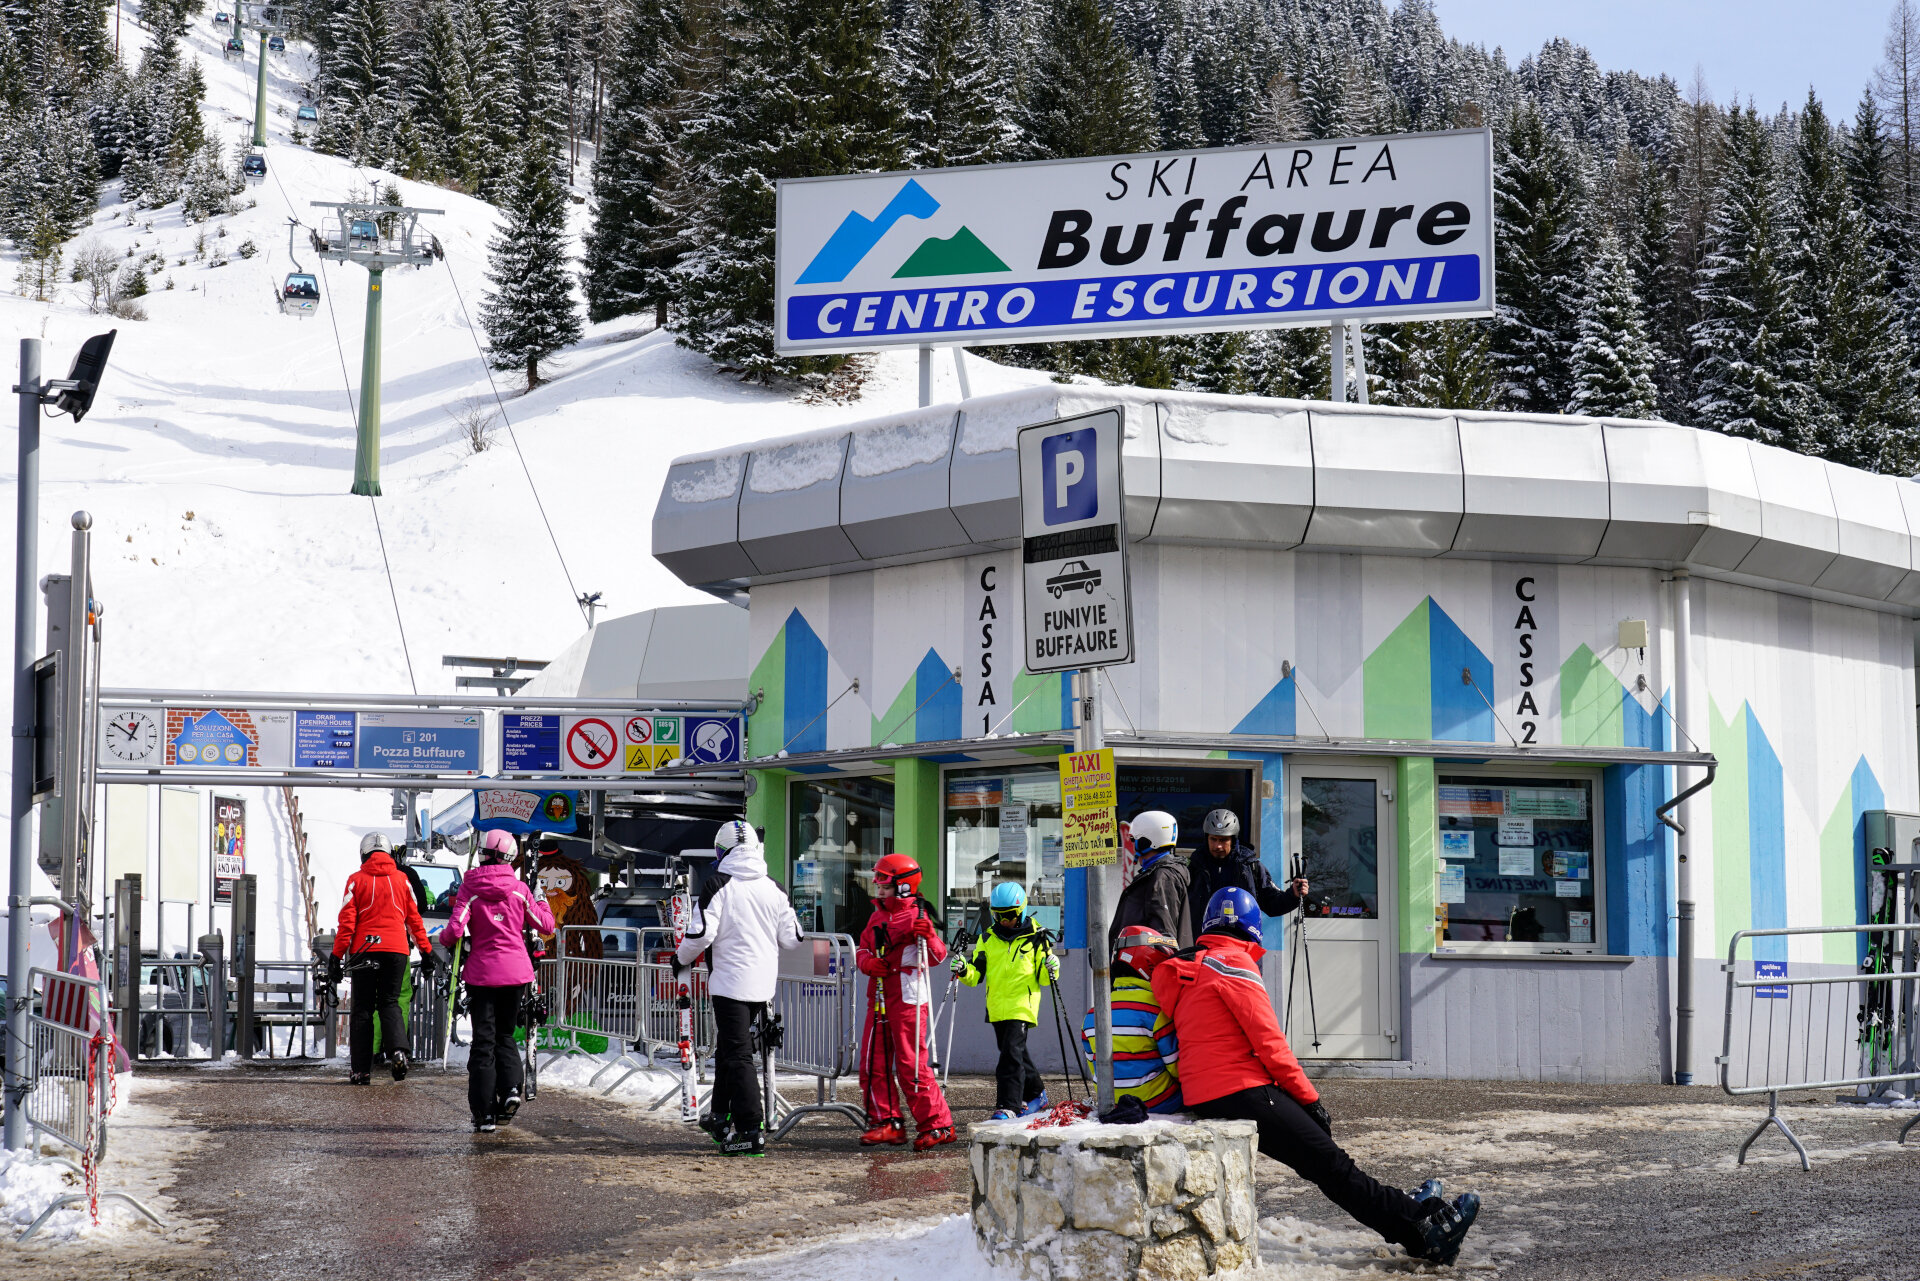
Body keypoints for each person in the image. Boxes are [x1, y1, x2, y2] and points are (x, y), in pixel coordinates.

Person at [1152, 888, 1481, 1266]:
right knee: (1331, 1166)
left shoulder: (1189, 968)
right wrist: (1310, 1100)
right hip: (1241, 1089)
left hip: (1204, 1094)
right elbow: (1271, 1046)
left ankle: (1407, 1207)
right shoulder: (1234, 965)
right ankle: (1423, 1232)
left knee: (1326, 1163)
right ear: (1253, 929)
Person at [674, 820, 804, 1156]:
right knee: (731, 1051)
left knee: (738, 1056)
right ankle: (720, 1115)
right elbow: (793, 938)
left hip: (729, 982)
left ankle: (749, 1129)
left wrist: (680, 959)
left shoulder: (717, 884)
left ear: (723, 851)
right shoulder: (773, 886)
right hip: (761, 985)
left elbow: (701, 935)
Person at [439, 829, 554, 1132]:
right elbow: (546, 924)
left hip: (481, 975)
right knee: (505, 1035)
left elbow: (454, 930)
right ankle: (512, 1090)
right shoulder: (519, 890)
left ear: (482, 853)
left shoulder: (470, 888)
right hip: (516, 974)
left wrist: (446, 938)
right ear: (510, 856)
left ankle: (484, 1113)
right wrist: (541, 900)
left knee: (483, 1042)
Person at [856, 853, 954, 1150]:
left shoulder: (917, 914)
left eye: (884, 881)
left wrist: (931, 937)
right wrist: (868, 964)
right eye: (878, 881)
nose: (878, 886)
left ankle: (938, 1124)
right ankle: (887, 1122)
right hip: (880, 995)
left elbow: (937, 956)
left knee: (910, 1065)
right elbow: (862, 948)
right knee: (874, 1061)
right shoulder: (876, 915)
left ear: (903, 885)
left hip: (908, 997)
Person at [330, 833, 434, 1085]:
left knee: (363, 1009)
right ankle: (398, 1051)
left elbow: (347, 923)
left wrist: (336, 956)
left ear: (363, 854)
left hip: (365, 950)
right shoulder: (402, 880)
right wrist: (426, 951)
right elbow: (414, 920)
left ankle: (361, 1070)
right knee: (390, 1003)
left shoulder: (355, 881)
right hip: (397, 950)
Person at [952, 882, 1059, 1120]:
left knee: (1010, 1056)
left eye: (1009, 915)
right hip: (997, 1005)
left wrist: (1053, 966)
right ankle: (1038, 1094)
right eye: (998, 915)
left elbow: (1044, 977)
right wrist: (962, 970)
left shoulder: (1037, 937)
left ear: (1021, 911)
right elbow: (976, 975)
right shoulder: (988, 938)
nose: (1004, 920)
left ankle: (1009, 1105)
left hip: (1022, 1004)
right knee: (1015, 1053)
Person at [1082, 925, 1182, 1115]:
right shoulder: (1157, 1009)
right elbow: (1177, 1068)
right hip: (1158, 1103)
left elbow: (1094, 1067)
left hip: (1112, 1103)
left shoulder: (1092, 1014)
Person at [1187, 808, 1308, 941]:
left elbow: (1272, 904)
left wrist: (1293, 895)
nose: (1218, 846)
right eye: (1213, 839)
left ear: (1233, 840)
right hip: (1202, 945)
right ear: (1206, 838)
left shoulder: (1250, 866)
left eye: (1223, 840)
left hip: (1242, 947)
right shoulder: (1193, 866)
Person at [1109, 810, 1192, 975]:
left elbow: (1163, 939)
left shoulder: (1163, 877)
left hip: (1145, 981)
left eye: (1135, 840)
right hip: (1137, 976)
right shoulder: (1154, 874)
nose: (1132, 845)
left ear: (1147, 841)